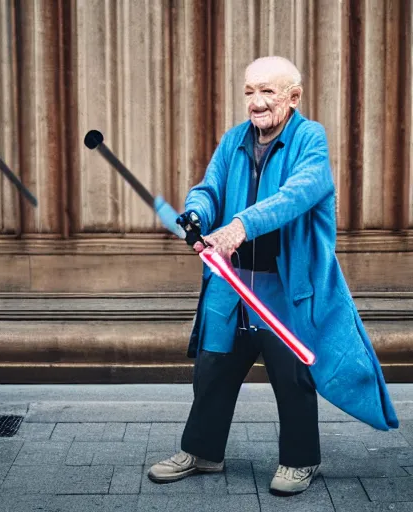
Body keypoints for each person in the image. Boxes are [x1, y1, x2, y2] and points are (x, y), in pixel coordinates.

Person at [147, 56, 398, 496]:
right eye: (249, 92)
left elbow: (294, 196)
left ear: (293, 97)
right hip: (231, 284)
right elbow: (210, 189)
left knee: (292, 378)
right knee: (213, 370)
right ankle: (203, 452)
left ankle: (301, 461)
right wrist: (196, 215)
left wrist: (239, 226)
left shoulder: (310, 140)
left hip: (283, 289)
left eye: (267, 91)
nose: (256, 102)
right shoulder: (233, 141)